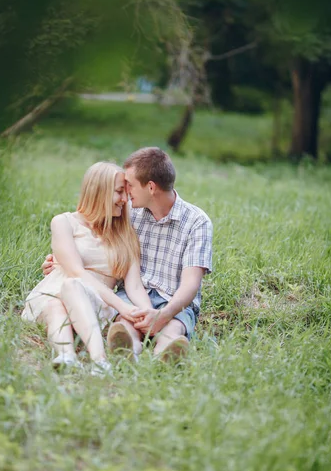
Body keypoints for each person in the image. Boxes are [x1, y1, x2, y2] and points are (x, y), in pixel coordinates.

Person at [43, 148, 213, 360]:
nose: (126, 194)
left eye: (129, 186)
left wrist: (164, 314)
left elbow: (190, 284)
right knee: (125, 325)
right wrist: (59, 261)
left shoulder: (197, 222)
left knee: (172, 329)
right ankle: (128, 351)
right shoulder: (129, 213)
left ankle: (164, 357)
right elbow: (92, 233)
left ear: (150, 187)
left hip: (174, 300)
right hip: (131, 295)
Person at [22, 161, 152, 374]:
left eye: (126, 193)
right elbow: (76, 271)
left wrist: (147, 313)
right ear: (99, 191)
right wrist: (122, 306)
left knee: (73, 287)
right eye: (119, 192)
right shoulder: (63, 222)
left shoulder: (125, 234)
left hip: (96, 301)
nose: (125, 199)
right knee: (61, 300)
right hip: (55, 291)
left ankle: (99, 361)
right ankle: (68, 356)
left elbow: (135, 285)